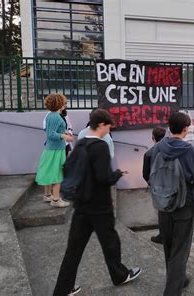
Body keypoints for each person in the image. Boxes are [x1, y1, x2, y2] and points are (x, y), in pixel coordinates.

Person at [53, 109, 140, 296]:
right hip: (100, 207)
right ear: (101, 125)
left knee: (73, 251)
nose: (109, 130)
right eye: (108, 126)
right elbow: (104, 177)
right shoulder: (100, 146)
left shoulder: (82, 142)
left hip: (81, 206)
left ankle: (62, 290)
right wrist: (117, 174)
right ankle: (119, 276)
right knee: (111, 244)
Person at [150, 112, 194, 296]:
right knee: (180, 250)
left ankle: (179, 279)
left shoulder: (158, 147)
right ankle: (172, 290)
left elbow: (148, 172)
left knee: (169, 246)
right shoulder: (190, 152)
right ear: (185, 129)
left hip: (162, 203)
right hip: (184, 205)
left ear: (169, 127)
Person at [36, 93, 73, 208]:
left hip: (54, 149)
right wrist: (64, 136)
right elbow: (51, 134)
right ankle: (56, 200)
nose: (65, 104)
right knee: (57, 174)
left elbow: (53, 131)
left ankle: (48, 195)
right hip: (55, 150)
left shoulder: (51, 115)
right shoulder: (55, 116)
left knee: (50, 172)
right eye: (64, 102)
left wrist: (64, 133)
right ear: (59, 104)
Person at [142, 126, 167, 244]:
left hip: (157, 187)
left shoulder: (148, 154)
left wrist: (152, 183)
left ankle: (163, 236)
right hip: (170, 184)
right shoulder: (170, 151)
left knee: (161, 212)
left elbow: (145, 174)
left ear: (153, 138)